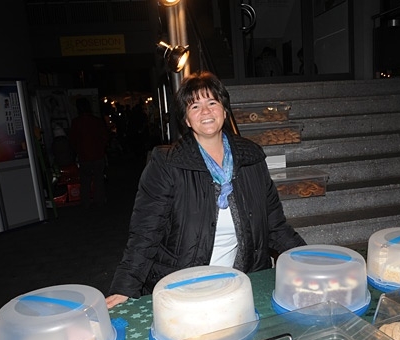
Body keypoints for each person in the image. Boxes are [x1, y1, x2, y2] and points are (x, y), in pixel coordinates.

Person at [106, 71, 305, 308]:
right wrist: (125, 286)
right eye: (195, 106)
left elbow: (275, 225)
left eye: (212, 102)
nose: (206, 111)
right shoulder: (167, 164)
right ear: (186, 120)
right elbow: (146, 233)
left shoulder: (251, 158)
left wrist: (308, 258)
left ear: (224, 110)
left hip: (241, 283)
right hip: (185, 287)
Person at [69, 97, 109, 208]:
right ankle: (99, 200)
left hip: (84, 156)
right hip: (98, 154)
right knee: (99, 179)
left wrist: (77, 151)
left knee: (85, 180)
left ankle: (86, 202)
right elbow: (105, 137)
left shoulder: (76, 122)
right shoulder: (96, 121)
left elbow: (73, 140)